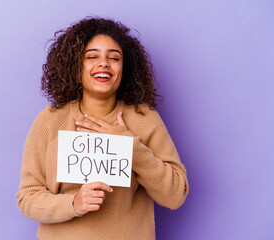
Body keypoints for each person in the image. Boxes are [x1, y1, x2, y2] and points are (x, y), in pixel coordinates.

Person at [16, 17, 189, 240]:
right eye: (92, 56)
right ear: (76, 66)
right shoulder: (49, 121)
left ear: (124, 69)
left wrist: (130, 148)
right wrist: (74, 203)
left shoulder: (144, 119)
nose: (104, 63)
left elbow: (175, 195)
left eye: (114, 58)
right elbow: (28, 198)